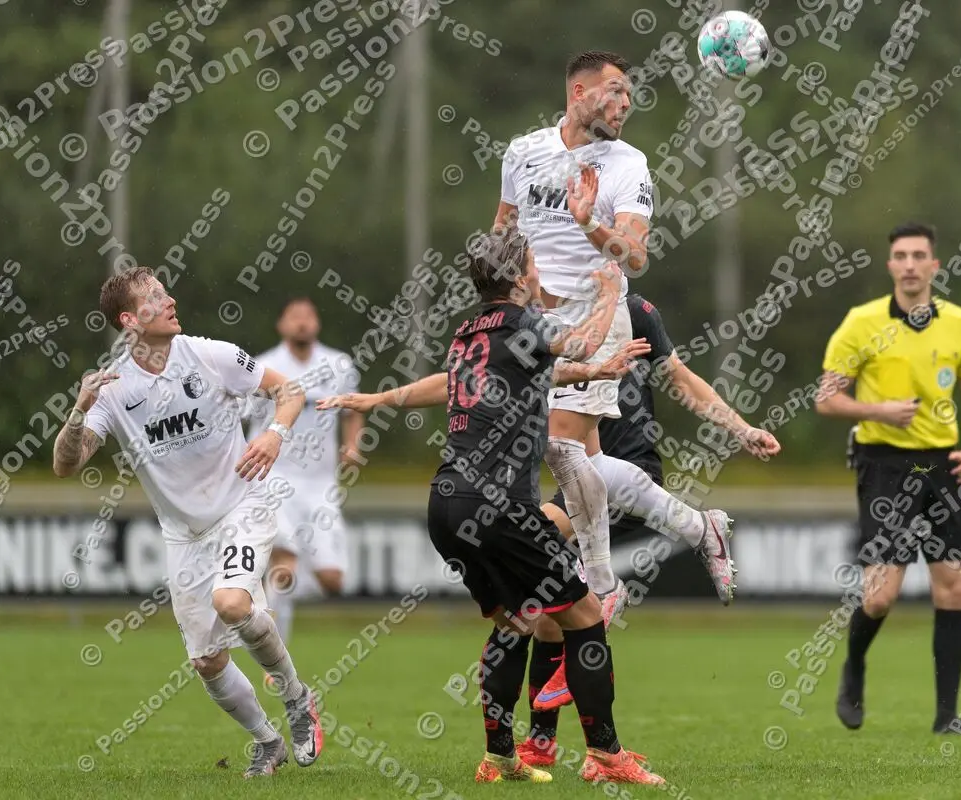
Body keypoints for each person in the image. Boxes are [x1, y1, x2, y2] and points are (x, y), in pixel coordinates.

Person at [319, 229, 665, 785]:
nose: (538, 270)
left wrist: (383, 398)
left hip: (448, 504)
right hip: (499, 504)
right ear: (520, 276)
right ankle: (605, 755)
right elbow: (577, 343)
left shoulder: (470, 333)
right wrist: (607, 294)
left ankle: (500, 757)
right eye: (532, 262)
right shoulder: (526, 324)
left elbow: (502, 376)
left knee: (517, 619)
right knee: (582, 614)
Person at [52, 267, 324, 777]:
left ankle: (297, 700)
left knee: (232, 602)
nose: (170, 298)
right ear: (130, 319)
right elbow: (67, 464)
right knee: (207, 662)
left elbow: (290, 392)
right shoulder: (112, 388)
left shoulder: (209, 354)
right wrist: (77, 412)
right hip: (184, 534)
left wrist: (274, 435)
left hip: (243, 505)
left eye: (166, 290)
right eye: (156, 296)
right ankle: (268, 742)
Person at [518, 294, 784, 764]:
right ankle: (561, 746)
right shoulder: (540, 313)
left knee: (538, 552)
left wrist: (741, 430)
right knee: (551, 610)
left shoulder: (634, 310)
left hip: (620, 467)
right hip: (581, 467)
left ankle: (573, 742)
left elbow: (681, 379)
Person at [493, 49, 656, 626]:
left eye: (629, 95)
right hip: (533, 321)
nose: (624, 103)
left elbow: (634, 257)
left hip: (595, 315)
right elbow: (503, 237)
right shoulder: (523, 152)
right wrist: (507, 300)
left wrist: (590, 223)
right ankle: (690, 523)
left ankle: (600, 581)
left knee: (561, 446)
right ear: (579, 92)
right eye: (614, 91)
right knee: (551, 456)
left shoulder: (628, 164)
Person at [814, 222, 961, 735]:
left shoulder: (960, 323)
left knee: (952, 586)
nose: (910, 264)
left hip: (943, 464)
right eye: (901, 255)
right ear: (890, 265)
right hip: (884, 461)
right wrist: (878, 410)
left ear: (935, 266)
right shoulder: (861, 322)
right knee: (880, 595)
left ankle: (946, 717)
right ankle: (855, 668)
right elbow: (826, 399)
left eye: (919, 255)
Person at [242, 297, 362, 647]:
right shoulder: (263, 367)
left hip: (321, 484)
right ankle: (275, 658)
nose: (302, 323)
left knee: (332, 580)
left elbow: (353, 409)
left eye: (308, 316)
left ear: (317, 324)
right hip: (274, 478)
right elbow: (240, 421)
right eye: (294, 317)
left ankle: (272, 587)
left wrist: (353, 445)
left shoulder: (337, 364)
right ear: (281, 325)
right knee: (285, 559)